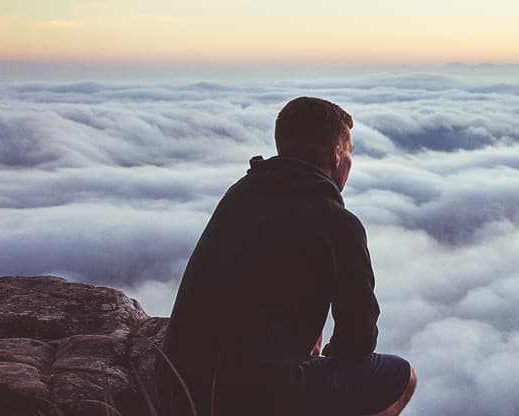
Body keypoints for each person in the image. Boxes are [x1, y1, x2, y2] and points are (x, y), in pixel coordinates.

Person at [158, 97, 417, 416]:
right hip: (249, 397)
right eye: (350, 152)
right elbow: (358, 341)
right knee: (401, 376)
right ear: (337, 155)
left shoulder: (240, 194)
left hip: (176, 385)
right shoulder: (337, 223)